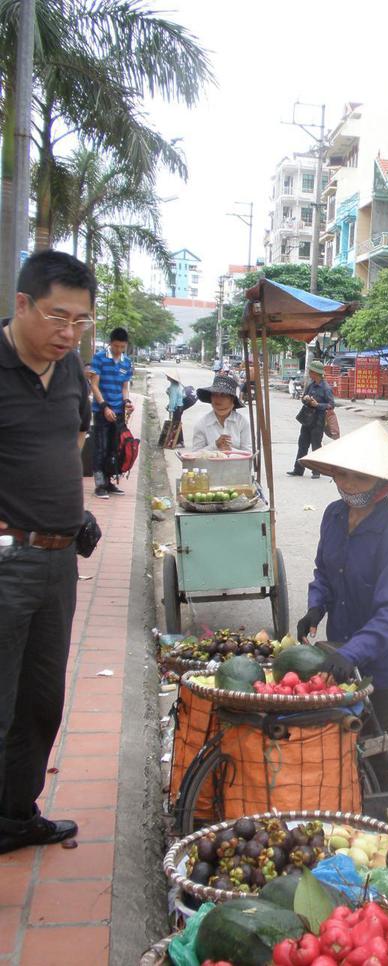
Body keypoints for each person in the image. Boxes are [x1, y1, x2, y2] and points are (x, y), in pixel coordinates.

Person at [0, 250, 97, 854]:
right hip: (6, 561)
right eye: (58, 318)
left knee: (41, 699)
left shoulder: (67, 370)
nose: (68, 333)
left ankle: (14, 817)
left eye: (81, 322)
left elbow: (75, 438)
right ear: (21, 305)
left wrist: (73, 510)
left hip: (58, 563)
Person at [294, 422, 388, 790]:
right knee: (343, 753)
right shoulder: (333, 516)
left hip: (385, 670)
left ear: (383, 484)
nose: (348, 484)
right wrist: (316, 607)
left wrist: (352, 653)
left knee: (377, 762)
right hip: (343, 657)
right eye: (342, 475)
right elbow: (324, 572)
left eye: (359, 477)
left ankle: (384, 827)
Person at [89, 326, 134, 498]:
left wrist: (127, 402)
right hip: (102, 410)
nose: (118, 350)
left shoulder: (127, 362)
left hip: (118, 412)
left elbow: (124, 387)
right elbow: (94, 385)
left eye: (122, 347)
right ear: (110, 343)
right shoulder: (99, 358)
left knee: (115, 448)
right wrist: (104, 406)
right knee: (101, 447)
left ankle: (109, 482)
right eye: (116, 346)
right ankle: (99, 485)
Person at [287, 360, 334, 478]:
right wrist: (305, 399)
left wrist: (317, 405)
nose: (309, 373)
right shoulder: (311, 385)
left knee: (316, 446)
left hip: (318, 421)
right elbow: (303, 398)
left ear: (315, 373)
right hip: (307, 420)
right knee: (302, 445)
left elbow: (331, 405)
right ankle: (298, 470)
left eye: (310, 371)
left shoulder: (326, 388)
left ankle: (316, 471)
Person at [191, 374, 251, 452]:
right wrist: (215, 445)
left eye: (223, 395)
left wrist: (230, 450)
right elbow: (195, 456)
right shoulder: (202, 424)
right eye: (215, 394)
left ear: (232, 399)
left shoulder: (242, 422)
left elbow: (248, 453)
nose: (218, 399)